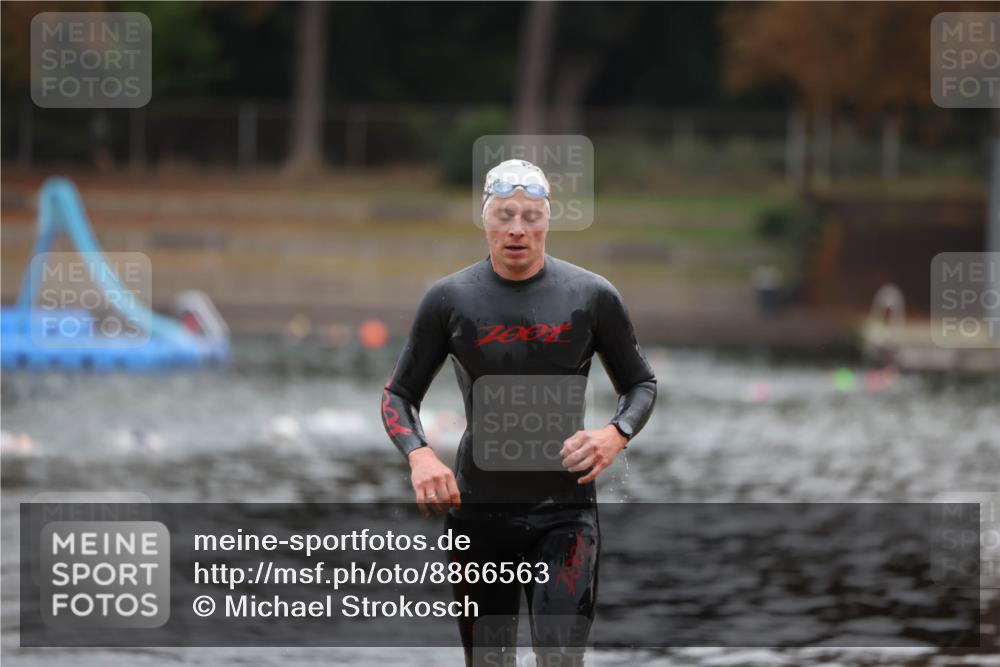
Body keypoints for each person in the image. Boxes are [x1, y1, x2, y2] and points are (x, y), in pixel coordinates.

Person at [381, 158, 657, 666]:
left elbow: (640, 384)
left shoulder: (592, 297)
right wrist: (419, 455)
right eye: (504, 214)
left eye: (531, 216)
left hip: (565, 516)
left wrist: (615, 434)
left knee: (559, 659)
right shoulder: (449, 300)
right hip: (477, 515)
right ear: (484, 219)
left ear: (548, 220)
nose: (516, 229)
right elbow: (398, 395)